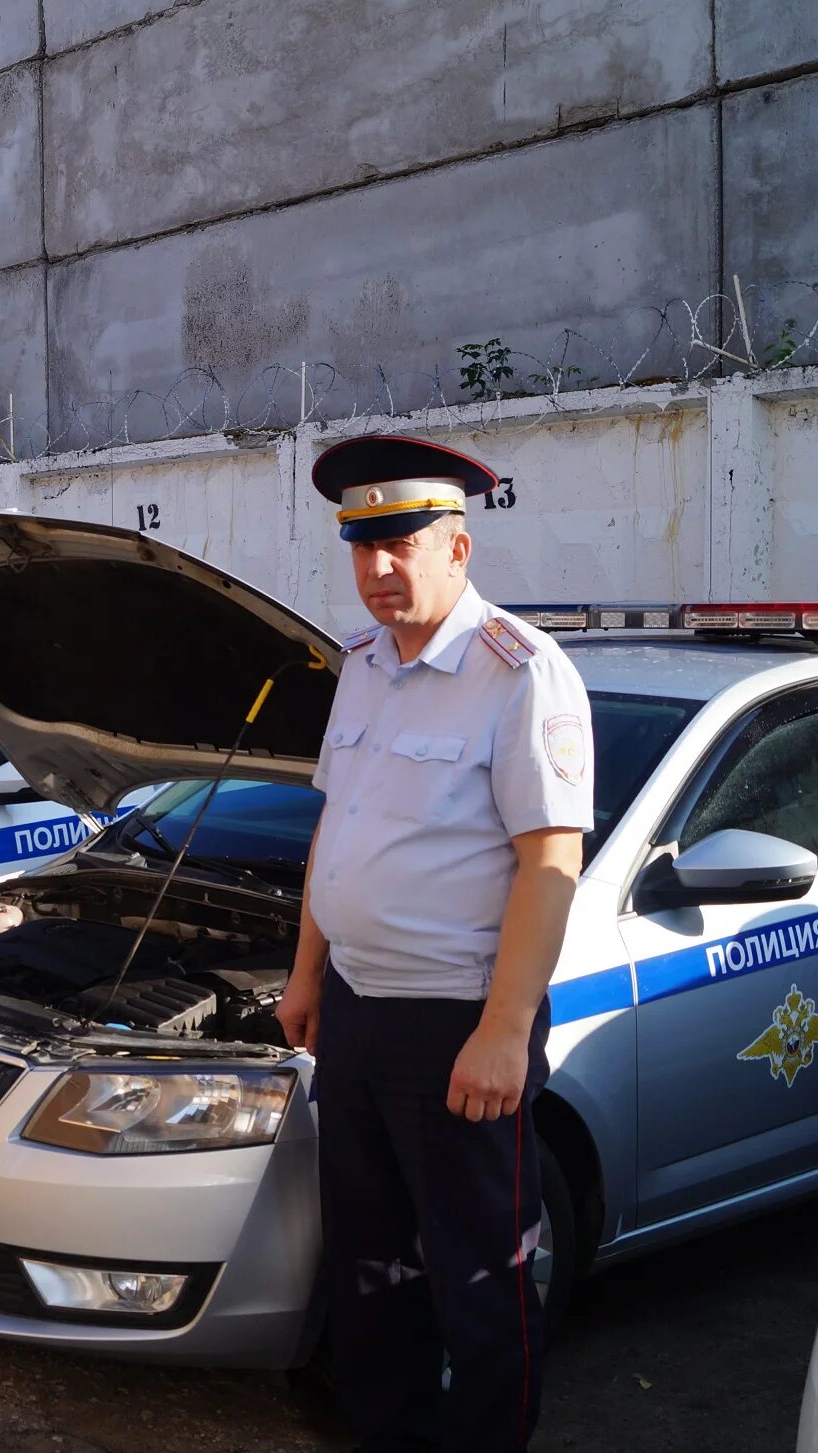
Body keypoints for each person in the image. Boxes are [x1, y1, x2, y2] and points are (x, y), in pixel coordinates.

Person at [275, 435, 593, 1452]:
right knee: (369, 1276)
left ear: (454, 546)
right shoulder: (361, 664)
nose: (374, 570)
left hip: (458, 1024)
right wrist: (305, 974)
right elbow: (338, 826)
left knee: (475, 1283)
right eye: (359, 547)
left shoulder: (518, 673)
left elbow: (550, 862)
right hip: (361, 1016)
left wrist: (504, 1030)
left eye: (397, 545)